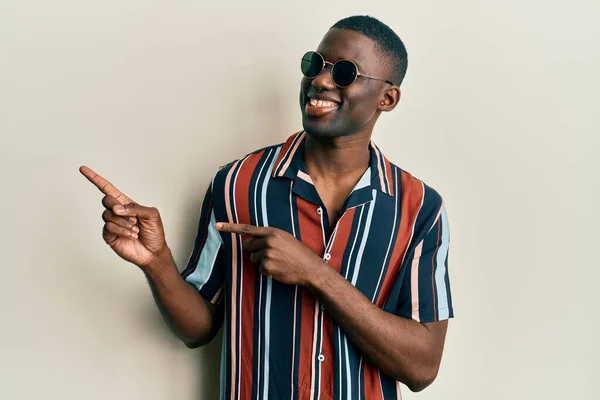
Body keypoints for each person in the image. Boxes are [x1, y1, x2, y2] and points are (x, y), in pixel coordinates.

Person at [80, 15, 453, 400]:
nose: (321, 81)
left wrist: (316, 274)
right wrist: (156, 261)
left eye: (345, 72)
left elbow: (422, 368)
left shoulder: (420, 208)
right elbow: (198, 329)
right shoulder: (237, 182)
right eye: (315, 65)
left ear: (387, 98)